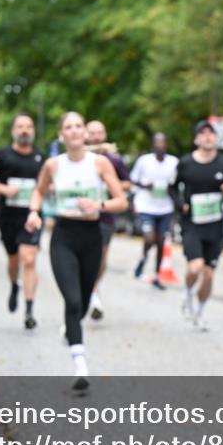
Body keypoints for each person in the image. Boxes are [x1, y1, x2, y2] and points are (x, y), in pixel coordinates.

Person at [25, 112, 128, 390]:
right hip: (64, 237)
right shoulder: (53, 165)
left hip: (92, 236)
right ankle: (80, 364)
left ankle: (71, 329)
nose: (74, 131)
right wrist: (34, 212)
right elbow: (38, 191)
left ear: (85, 133)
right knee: (72, 301)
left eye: (78, 126)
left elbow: (121, 200)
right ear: (61, 135)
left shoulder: (100, 163)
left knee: (82, 301)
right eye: (68, 127)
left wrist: (99, 206)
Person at [170, 120, 223, 331]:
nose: (208, 137)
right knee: (195, 266)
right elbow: (172, 188)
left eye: (211, 134)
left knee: (209, 274)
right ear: (196, 139)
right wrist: (180, 204)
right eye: (203, 134)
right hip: (192, 223)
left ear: (216, 139)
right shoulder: (185, 164)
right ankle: (188, 291)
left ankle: (200, 311)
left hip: (215, 224)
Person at [0, 114, 46, 329]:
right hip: (7, 216)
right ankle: (14, 285)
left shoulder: (41, 158)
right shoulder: (1, 155)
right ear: (13, 131)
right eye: (20, 126)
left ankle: (29, 309)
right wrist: (3, 189)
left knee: (29, 259)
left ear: (33, 130)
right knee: (14, 260)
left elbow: (49, 183)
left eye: (28, 126)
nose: (24, 130)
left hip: (32, 216)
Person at [85, 120, 132, 320]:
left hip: (105, 215)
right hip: (81, 217)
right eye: (92, 133)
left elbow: (127, 184)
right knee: (86, 256)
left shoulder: (114, 160)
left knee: (101, 256)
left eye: (100, 132)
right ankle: (91, 293)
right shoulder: (80, 159)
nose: (96, 137)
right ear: (86, 135)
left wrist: (111, 184)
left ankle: (93, 290)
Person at [130, 132, 179, 290]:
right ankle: (143, 259)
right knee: (150, 238)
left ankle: (157, 276)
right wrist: (146, 185)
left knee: (160, 242)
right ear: (153, 145)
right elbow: (133, 179)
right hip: (146, 206)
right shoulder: (144, 161)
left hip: (165, 208)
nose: (160, 146)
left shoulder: (174, 162)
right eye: (157, 143)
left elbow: (177, 183)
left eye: (163, 143)